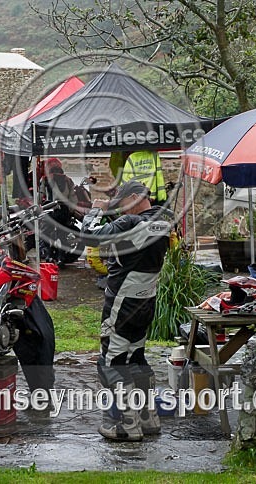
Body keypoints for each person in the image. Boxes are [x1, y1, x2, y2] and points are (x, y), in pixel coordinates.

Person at [80, 180, 173, 441]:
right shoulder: (165, 219)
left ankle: (125, 426)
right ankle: (147, 418)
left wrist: (96, 210)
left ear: (134, 197)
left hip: (122, 301)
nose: (121, 209)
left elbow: (89, 236)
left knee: (111, 362)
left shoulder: (129, 224)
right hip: (146, 299)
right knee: (136, 357)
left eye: (122, 203)